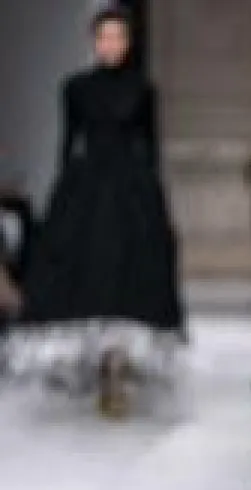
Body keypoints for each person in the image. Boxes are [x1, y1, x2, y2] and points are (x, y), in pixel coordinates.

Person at [11, 5, 183, 414]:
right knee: (88, 276)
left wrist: (154, 202)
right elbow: (68, 141)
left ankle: (117, 365)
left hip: (131, 189)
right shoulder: (75, 88)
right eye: (104, 37)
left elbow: (150, 147)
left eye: (118, 37)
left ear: (128, 43)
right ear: (93, 42)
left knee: (127, 278)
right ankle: (100, 365)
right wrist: (62, 197)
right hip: (86, 187)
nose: (111, 45)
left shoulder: (144, 89)